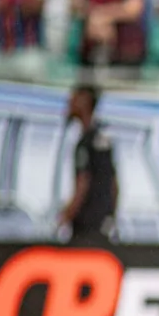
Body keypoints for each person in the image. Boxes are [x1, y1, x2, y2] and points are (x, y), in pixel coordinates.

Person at [59, 85, 118, 247]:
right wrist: (111, 216)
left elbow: (83, 183)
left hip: (85, 227)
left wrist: (67, 215)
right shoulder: (102, 138)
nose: (69, 102)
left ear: (84, 101)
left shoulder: (86, 144)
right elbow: (114, 184)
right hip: (101, 225)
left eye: (74, 98)